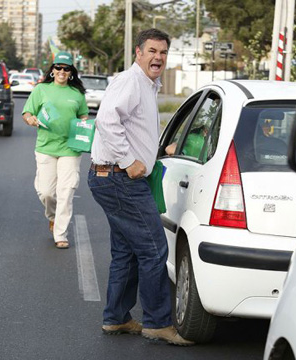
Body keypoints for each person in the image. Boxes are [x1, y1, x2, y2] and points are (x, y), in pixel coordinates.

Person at [88, 29, 194, 346]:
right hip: (120, 179)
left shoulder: (147, 85)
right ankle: (158, 322)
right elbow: (106, 121)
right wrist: (129, 160)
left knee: (127, 252)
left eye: (162, 52)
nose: (158, 57)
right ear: (138, 52)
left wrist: (155, 152)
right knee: (154, 250)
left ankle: (116, 318)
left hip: (116, 177)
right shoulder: (131, 82)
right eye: (151, 51)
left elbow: (133, 128)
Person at [22, 51, 90, 249]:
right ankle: (52, 216)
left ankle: (60, 234)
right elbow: (27, 112)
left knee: (66, 191)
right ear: (52, 70)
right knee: (47, 193)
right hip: (46, 147)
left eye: (66, 68)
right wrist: (30, 119)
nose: (62, 71)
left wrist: (86, 127)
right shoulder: (41, 90)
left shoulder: (77, 93)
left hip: (71, 148)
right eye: (58, 67)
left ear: (71, 72)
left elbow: (83, 116)